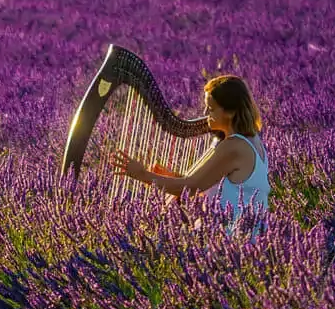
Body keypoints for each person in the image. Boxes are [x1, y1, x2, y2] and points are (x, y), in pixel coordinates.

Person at [110, 74, 270, 233]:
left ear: (230, 112)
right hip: (243, 238)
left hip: (234, 243)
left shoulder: (233, 147)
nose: (206, 112)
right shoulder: (252, 140)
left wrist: (141, 174)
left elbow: (190, 188)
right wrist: (173, 177)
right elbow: (206, 184)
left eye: (211, 108)